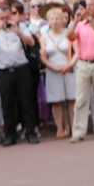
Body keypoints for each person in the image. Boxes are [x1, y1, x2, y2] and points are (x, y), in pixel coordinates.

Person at [0, 4, 40, 146]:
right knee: (7, 104)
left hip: (22, 69)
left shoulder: (21, 26)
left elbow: (32, 42)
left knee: (26, 102)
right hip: (4, 71)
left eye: (7, 17)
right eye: (2, 18)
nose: (5, 20)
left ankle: (30, 132)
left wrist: (18, 31)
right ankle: (10, 135)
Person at [67, 0, 94, 142]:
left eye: (92, 5)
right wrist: (75, 20)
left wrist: (90, 19)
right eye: (87, 5)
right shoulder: (80, 25)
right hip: (83, 64)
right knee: (81, 99)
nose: (89, 7)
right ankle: (78, 132)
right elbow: (69, 36)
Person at [40, 7, 77, 138]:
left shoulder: (69, 34)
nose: (55, 21)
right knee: (57, 101)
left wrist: (70, 64)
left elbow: (77, 51)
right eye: (52, 18)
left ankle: (74, 127)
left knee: (72, 99)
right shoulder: (45, 37)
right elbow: (43, 57)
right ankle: (60, 128)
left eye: (57, 18)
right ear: (48, 21)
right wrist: (53, 68)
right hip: (53, 71)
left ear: (63, 20)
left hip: (69, 69)